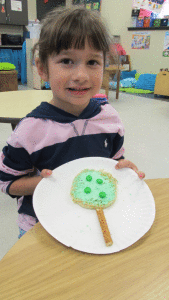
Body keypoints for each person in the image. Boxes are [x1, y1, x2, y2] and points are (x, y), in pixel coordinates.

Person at [0, 7, 145, 239]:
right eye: (67, 60)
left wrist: (123, 169)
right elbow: (8, 183)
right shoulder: (29, 131)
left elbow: (113, 162)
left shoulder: (110, 118)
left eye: (92, 62)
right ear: (42, 68)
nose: (81, 75)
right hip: (41, 226)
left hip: (90, 225)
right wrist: (48, 182)